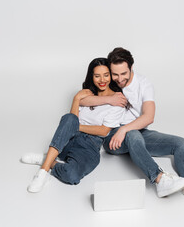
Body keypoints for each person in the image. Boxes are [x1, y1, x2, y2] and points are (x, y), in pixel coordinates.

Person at [80, 47, 184, 197]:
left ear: (131, 67)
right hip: (111, 136)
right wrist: (109, 99)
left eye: (124, 73)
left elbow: (148, 117)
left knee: (182, 144)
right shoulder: (107, 82)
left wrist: (124, 129)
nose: (119, 79)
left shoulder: (143, 84)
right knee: (133, 135)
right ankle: (160, 180)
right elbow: (82, 99)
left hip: (136, 131)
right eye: (115, 74)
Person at [21, 58, 127, 193]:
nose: (102, 80)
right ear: (91, 76)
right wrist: (76, 99)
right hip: (68, 141)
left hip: (90, 146)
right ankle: (42, 172)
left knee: (72, 176)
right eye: (97, 76)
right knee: (69, 118)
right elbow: (72, 119)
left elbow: (103, 131)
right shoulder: (86, 94)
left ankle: (47, 160)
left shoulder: (118, 100)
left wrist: (76, 127)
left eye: (106, 75)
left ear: (111, 76)